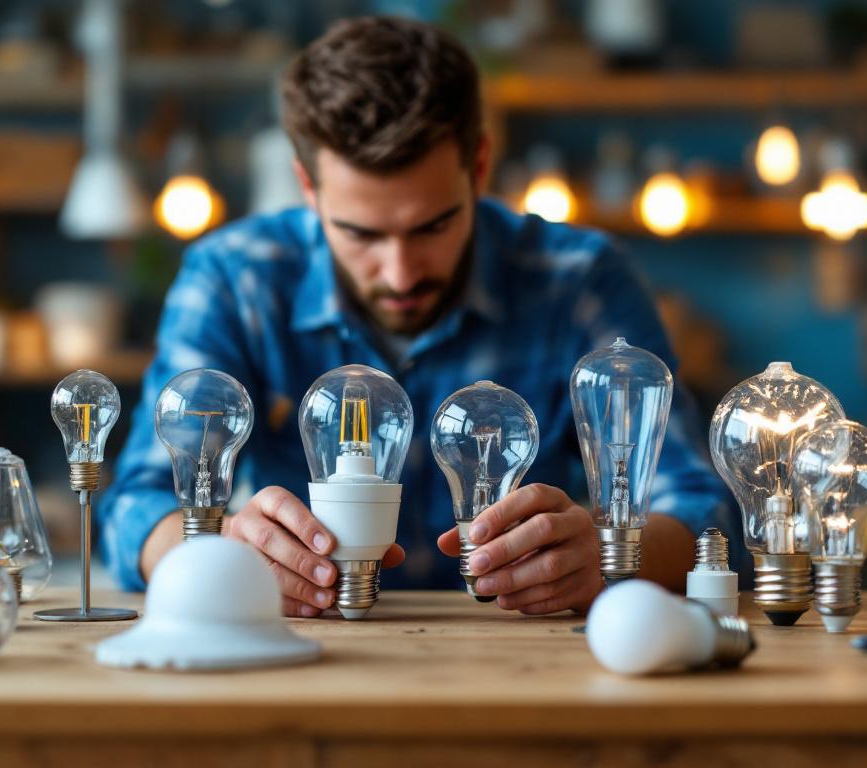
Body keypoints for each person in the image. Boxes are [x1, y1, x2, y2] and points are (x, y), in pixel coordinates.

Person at [98, 15, 733, 617]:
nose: (400, 273)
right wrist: (226, 554)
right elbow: (134, 506)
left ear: (478, 167)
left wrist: (612, 557)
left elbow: (700, 508)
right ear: (308, 188)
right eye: (361, 233)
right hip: (307, 663)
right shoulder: (235, 278)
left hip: (518, 665)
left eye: (433, 225)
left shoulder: (578, 278)